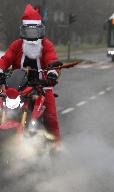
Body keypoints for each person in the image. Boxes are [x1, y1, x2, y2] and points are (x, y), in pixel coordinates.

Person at [0, 4, 61, 144]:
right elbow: (5, 59)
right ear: (23, 31)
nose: (32, 36)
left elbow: (52, 59)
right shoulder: (16, 45)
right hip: (17, 87)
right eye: (28, 32)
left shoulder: (46, 45)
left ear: (41, 31)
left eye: (35, 32)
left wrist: (52, 74)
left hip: (42, 86)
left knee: (51, 116)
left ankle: (56, 147)